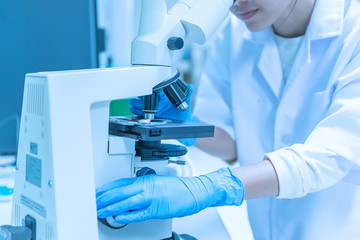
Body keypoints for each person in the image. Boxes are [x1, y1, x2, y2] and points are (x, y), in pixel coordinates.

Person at [97, 0, 360, 239]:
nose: (236, 4)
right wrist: (189, 125)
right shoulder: (235, 33)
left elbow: (332, 156)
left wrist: (212, 187)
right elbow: (236, 144)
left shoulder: (354, 29)